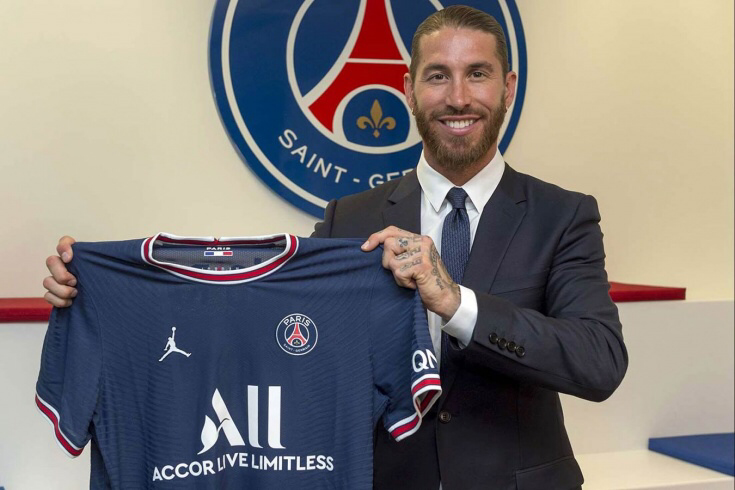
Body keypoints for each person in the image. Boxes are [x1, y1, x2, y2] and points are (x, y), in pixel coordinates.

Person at [43, 5, 627, 490]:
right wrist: (98, 291)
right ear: (408, 89)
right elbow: (262, 320)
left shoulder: (564, 215)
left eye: (477, 74)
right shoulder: (351, 219)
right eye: (437, 76)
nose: (457, 97)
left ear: (508, 87)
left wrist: (456, 304)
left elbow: (599, 362)